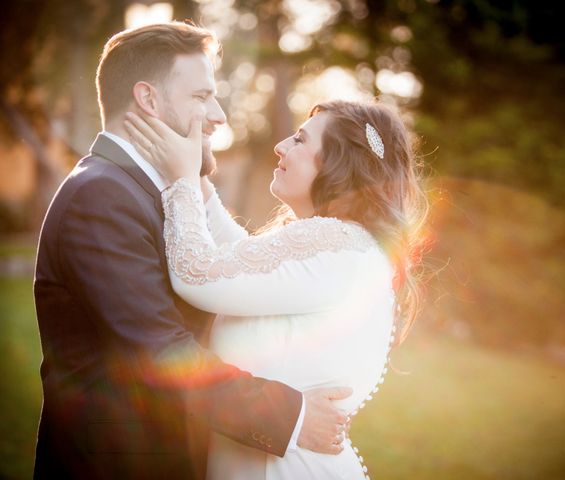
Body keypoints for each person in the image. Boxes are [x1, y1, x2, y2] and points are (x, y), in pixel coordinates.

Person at [33, 22, 350, 480]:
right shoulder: (100, 197)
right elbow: (161, 352)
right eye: (201, 98)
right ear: (148, 99)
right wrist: (293, 415)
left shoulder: (141, 191)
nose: (218, 115)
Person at [124, 97, 428, 479]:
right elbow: (235, 259)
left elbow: (197, 273)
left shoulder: (336, 246)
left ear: (338, 167)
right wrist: (198, 173)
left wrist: (180, 178)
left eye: (300, 140)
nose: (281, 145)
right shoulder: (343, 245)